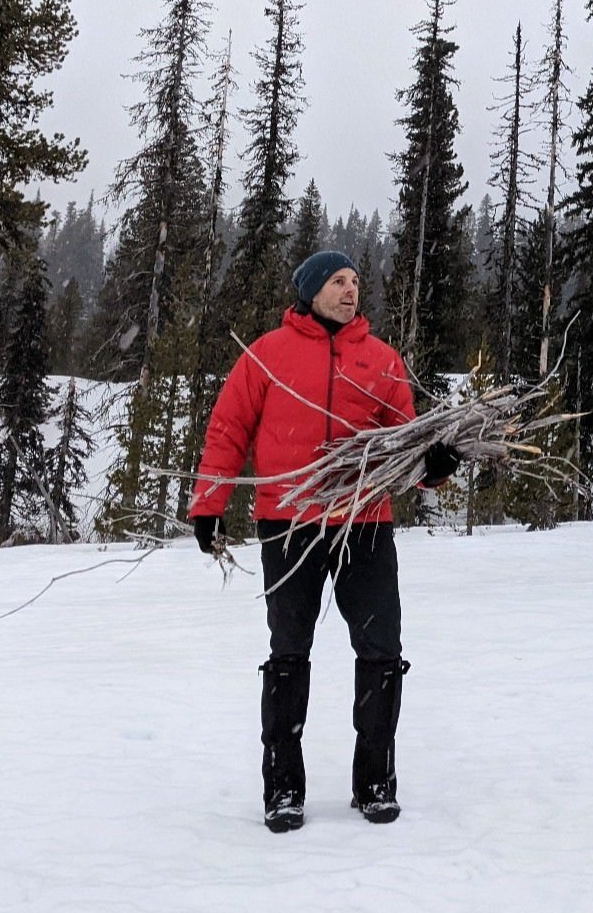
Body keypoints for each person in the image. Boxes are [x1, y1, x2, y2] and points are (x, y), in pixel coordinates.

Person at [188, 249, 460, 833]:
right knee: (289, 654)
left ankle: (375, 783)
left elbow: (405, 446)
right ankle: (283, 790)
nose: (350, 290)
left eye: (356, 281)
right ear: (310, 290)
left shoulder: (382, 361)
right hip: (289, 523)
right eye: (338, 281)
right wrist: (208, 504)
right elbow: (228, 430)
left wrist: (433, 466)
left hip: (365, 522)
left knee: (381, 652)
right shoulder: (267, 354)